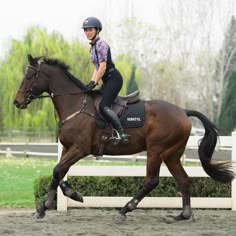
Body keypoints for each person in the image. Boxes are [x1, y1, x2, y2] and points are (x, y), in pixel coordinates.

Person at [82, 16, 129, 144]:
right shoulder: (92, 47)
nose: (87, 32)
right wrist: (90, 83)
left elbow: (102, 67)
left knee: (103, 105)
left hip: (114, 79)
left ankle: (122, 134)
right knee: (96, 101)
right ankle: (108, 132)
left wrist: (94, 82)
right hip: (107, 80)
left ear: (97, 30)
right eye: (85, 30)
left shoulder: (101, 44)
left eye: (90, 30)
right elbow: (96, 67)